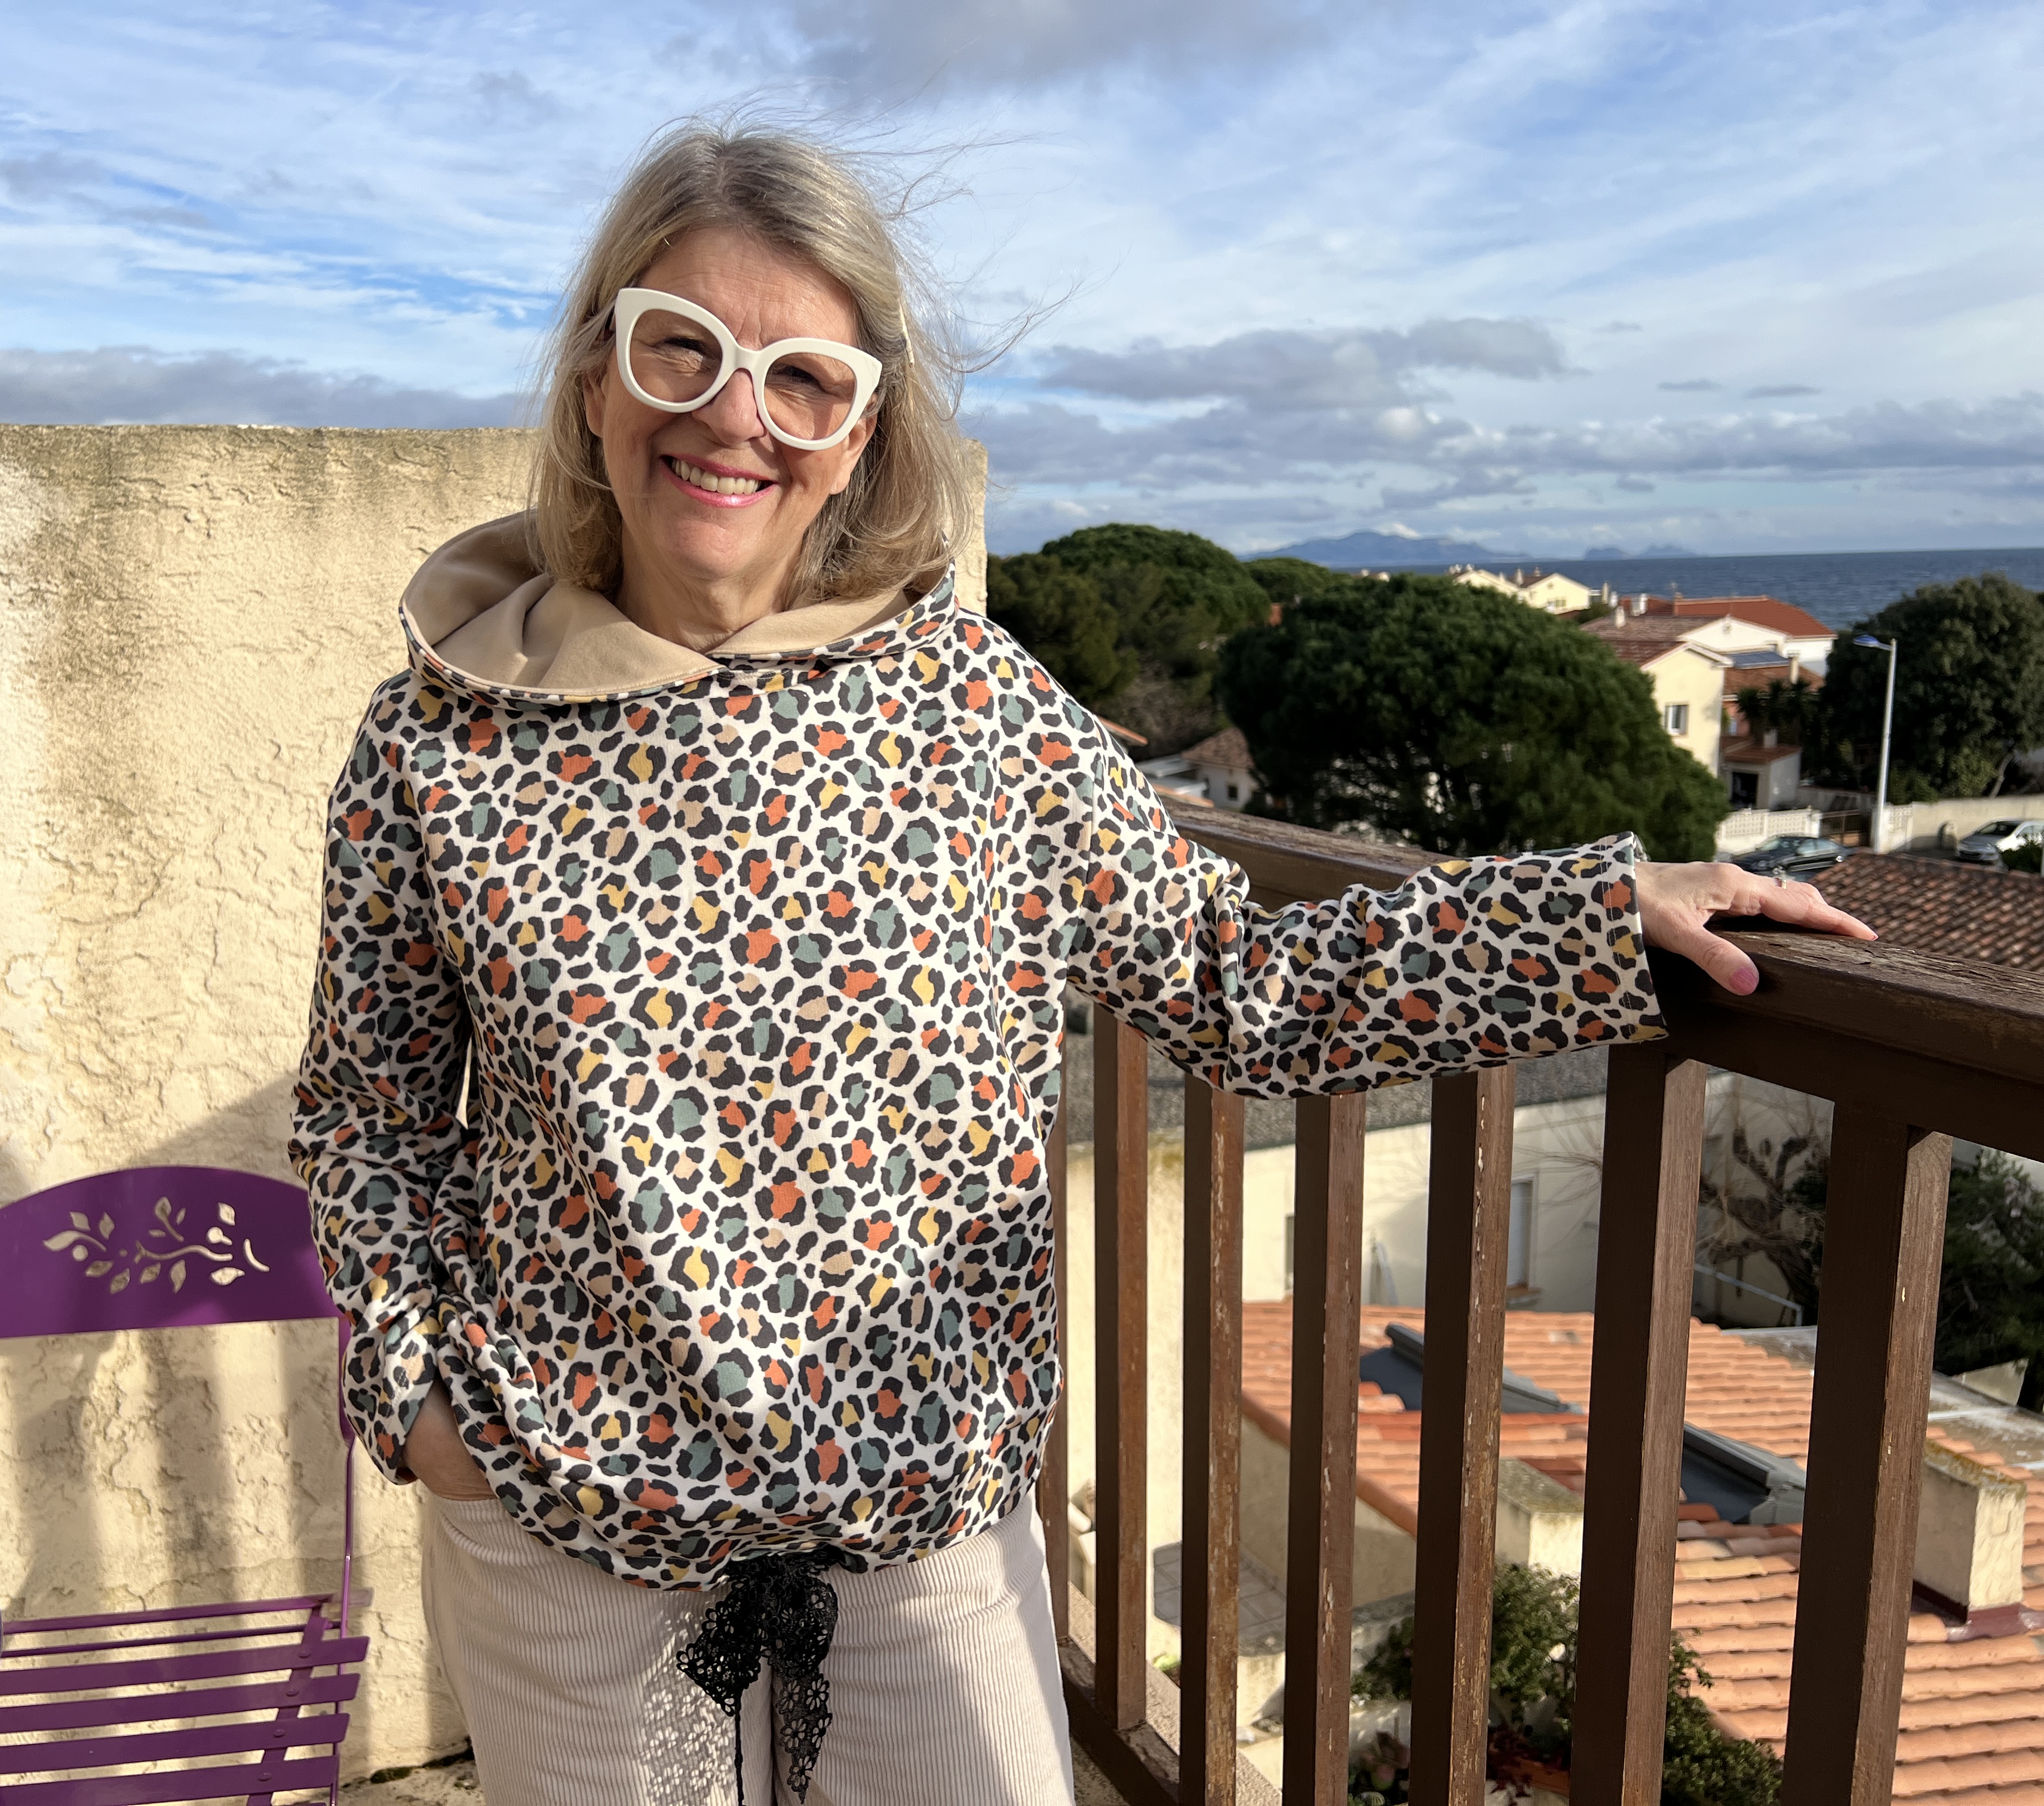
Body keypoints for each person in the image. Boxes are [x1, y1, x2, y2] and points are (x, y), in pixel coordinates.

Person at [289, 122, 1871, 1806]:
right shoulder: (442, 738)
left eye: (804, 377)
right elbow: (365, 1119)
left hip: (923, 1560)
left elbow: (1234, 979)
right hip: (568, 1549)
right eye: (681, 347)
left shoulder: (971, 709)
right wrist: (421, 1411)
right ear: (596, 373)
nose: (736, 415)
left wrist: (1588, 912)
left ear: (861, 430)